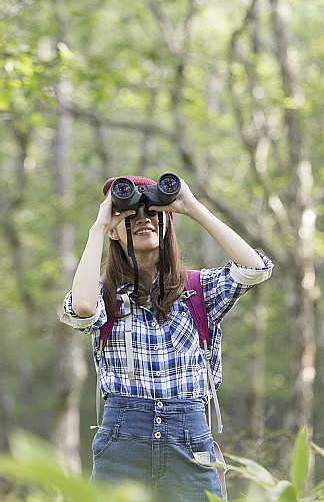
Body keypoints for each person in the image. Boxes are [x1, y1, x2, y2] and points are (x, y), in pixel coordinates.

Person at [60, 174, 273, 501]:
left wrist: (192, 207)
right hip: (122, 440)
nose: (143, 220)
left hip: (188, 438)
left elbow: (255, 268)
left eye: (153, 214)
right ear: (115, 230)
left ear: (167, 225)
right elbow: (84, 307)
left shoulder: (198, 290)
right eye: (131, 216)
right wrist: (99, 227)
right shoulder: (104, 294)